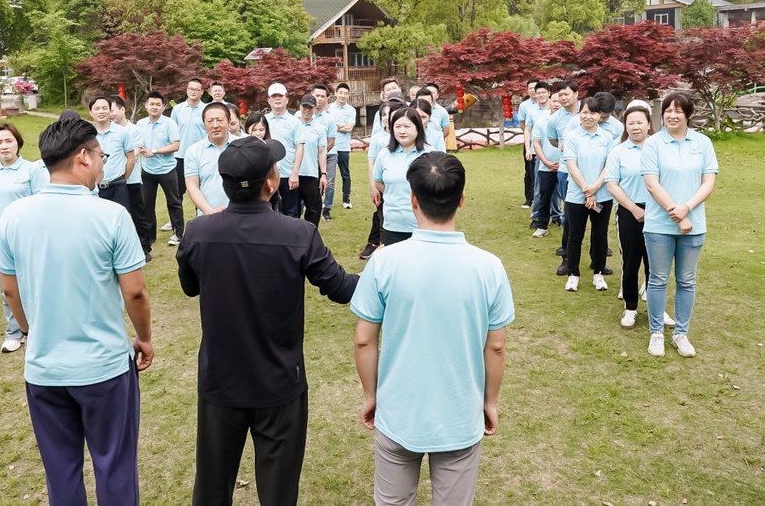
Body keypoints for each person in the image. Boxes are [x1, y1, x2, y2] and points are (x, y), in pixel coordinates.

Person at [176, 135, 358, 506]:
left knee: (211, 486)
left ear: (223, 184)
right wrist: (387, 270)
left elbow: (190, 287)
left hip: (220, 381)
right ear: (271, 182)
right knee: (278, 492)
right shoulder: (298, 233)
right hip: (279, 382)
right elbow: (341, 288)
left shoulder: (198, 233)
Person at [0, 115, 153, 505]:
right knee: (114, 466)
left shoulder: (14, 216)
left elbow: (8, 287)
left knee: (61, 471)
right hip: (104, 367)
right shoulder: (112, 216)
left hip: (44, 368)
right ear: (83, 157)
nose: (102, 163)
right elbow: (135, 294)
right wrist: (145, 338)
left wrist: (34, 331)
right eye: (100, 155)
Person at [351, 152, 514, 505]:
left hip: (397, 411)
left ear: (412, 199)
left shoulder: (384, 262)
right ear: (462, 199)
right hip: (460, 413)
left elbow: (365, 341)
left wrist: (371, 395)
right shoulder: (489, 267)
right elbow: (496, 346)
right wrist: (489, 401)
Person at [641, 91, 718, 358]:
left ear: (689, 115)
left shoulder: (703, 143)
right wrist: (678, 212)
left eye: (678, 111)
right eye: (667, 111)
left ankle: (681, 334)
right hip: (659, 225)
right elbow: (652, 184)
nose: (672, 115)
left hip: (694, 225)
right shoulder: (653, 144)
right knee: (659, 279)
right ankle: (656, 333)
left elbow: (708, 182)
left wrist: (687, 208)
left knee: (687, 280)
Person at [0, 122, 45, 353]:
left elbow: (41, 203)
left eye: (8, 141)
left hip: (29, 238)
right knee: (7, 288)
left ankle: (38, 329)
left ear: (18, 143)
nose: (4, 146)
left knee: (33, 284)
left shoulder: (32, 170)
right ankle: (14, 332)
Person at [605, 102, 672, 328]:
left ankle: (658, 309)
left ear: (649, 124)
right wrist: (634, 209)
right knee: (631, 261)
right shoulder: (618, 152)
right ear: (625, 126)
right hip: (629, 211)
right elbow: (612, 185)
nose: (635, 127)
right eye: (630, 123)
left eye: (639, 122)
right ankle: (630, 307)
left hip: (658, 211)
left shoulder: (660, 149)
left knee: (656, 263)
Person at [562, 97, 615, 292]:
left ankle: (598, 273)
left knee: (600, 236)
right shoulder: (572, 137)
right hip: (576, 196)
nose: (588, 116)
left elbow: (609, 166)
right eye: (584, 112)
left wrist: (594, 188)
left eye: (592, 113)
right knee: (575, 235)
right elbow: (571, 165)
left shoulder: (607, 138)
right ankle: (573, 274)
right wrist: (586, 189)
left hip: (602, 196)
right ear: (580, 114)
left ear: (599, 115)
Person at [373, 106, 436, 247]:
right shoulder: (384, 154)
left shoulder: (430, 155)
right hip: (392, 225)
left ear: (418, 128)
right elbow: (378, 181)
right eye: (397, 126)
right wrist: (395, 194)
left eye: (407, 126)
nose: (402, 131)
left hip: (423, 225)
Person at [136, 91, 184, 262]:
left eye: (158, 104)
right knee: (147, 205)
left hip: (167, 169)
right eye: (151, 104)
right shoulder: (140, 124)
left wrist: (154, 151)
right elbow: (138, 143)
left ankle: (178, 233)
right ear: (146, 106)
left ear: (163, 106)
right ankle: (149, 237)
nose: (154, 107)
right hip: (147, 170)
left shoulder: (169, 123)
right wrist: (140, 150)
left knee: (174, 202)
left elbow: (176, 145)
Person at [546, 81, 581, 276]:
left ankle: (598, 258)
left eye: (566, 94)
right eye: (560, 95)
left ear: (577, 93)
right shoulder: (555, 119)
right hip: (566, 171)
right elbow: (553, 141)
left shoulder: (588, 110)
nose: (562, 98)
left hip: (591, 172)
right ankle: (567, 256)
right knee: (569, 215)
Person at [359, 100, 398, 260]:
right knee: (382, 215)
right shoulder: (377, 138)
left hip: (397, 185)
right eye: (383, 114)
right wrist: (373, 186)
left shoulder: (400, 135)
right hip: (381, 183)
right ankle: (382, 248)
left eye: (389, 114)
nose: (386, 118)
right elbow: (371, 161)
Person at [111, 96, 149, 256]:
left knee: (138, 215)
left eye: (111, 109)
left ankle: (145, 247)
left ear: (122, 109)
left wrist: (124, 176)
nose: (110, 113)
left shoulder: (134, 130)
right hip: (114, 183)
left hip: (131, 180)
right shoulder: (108, 131)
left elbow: (134, 154)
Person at [184, 103, 233, 216]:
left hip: (240, 214)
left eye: (219, 120)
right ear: (204, 125)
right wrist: (209, 211)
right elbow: (192, 186)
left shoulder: (242, 145)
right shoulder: (193, 151)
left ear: (229, 121)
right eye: (210, 121)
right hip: (208, 215)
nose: (215, 125)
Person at [89, 95, 136, 210]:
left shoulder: (122, 132)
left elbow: (131, 158)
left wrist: (123, 178)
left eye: (105, 108)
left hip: (117, 187)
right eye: (97, 108)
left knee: (120, 221)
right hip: (94, 188)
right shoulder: (87, 134)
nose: (101, 111)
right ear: (90, 112)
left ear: (110, 111)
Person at [291, 95, 329, 226]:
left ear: (314, 109)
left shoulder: (319, 128)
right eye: (305, 107)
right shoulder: (293, 124)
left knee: (314, 210)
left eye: (310, 108)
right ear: (300, 106)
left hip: (311, 174)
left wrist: (323, 174)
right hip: (293, 174)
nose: (307, 110)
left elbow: (322, 151)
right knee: (292, 211)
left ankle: (310, 237)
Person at [265, 83, 301, 218]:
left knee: (291, 213)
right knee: (269, 212)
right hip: (268, 175)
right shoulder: (264, 121)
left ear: (286, 99)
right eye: (274, 96)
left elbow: (299, 148)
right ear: (269, 100)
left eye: (280, 96)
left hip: (288, 174)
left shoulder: (294, 122)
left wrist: (295, 173)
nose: (277, 99)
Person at [530, 92, 563, 238]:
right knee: (544, 196)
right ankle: (542, 225)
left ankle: (565, 222)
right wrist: (545, 161)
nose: (556, 104)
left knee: (567, 198)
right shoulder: (542, 121)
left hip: (566, 167)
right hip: (546, 166)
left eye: (559, 101)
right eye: (554, 101)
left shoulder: (572, 121)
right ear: (550, 102)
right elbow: (536, 143)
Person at [173, 78, 208, 202]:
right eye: (190, 89)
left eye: (196, 89)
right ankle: (176, 221)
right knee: (177, 192)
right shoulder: (177, 109)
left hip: (201, 155)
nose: (193, 92)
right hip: (180, 156)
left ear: (202, 92)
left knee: (202, 190)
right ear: (187, 90)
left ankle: (202, 219)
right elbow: (173, 133)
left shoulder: (207, 109)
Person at [324, 83, 356, 218]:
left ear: (348, 95)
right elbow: (325, 125)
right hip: (330, 146)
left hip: (343, 146)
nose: (343, 95)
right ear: (336, 93)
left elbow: (350, 128)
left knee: (345, 174)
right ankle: (324, 201)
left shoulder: (351, 110)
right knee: (326, 175)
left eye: (345, 93)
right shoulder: (329, 108)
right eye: (340, 92)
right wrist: (340, 126)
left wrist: (335, 126)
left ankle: (346, 199)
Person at [310, 83, 337, 221]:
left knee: (329, 183)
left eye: (322, 96)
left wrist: (320, 153)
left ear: (327, 98)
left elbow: (331, 141)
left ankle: (326, 209)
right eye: (317, 95)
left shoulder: (329, 118)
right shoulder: (301, 114)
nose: (319, 98)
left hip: (328, 154)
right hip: (306, 157)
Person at [518, 80, 547, 209]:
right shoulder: (526, 107)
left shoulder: (553, 106)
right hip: (531, 145)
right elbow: (525, 126)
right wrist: (528, 144)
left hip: (548, 145)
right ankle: (530, 199)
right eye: (531, 88)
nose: (534, 91)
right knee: (530, 172)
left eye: (537, 89)